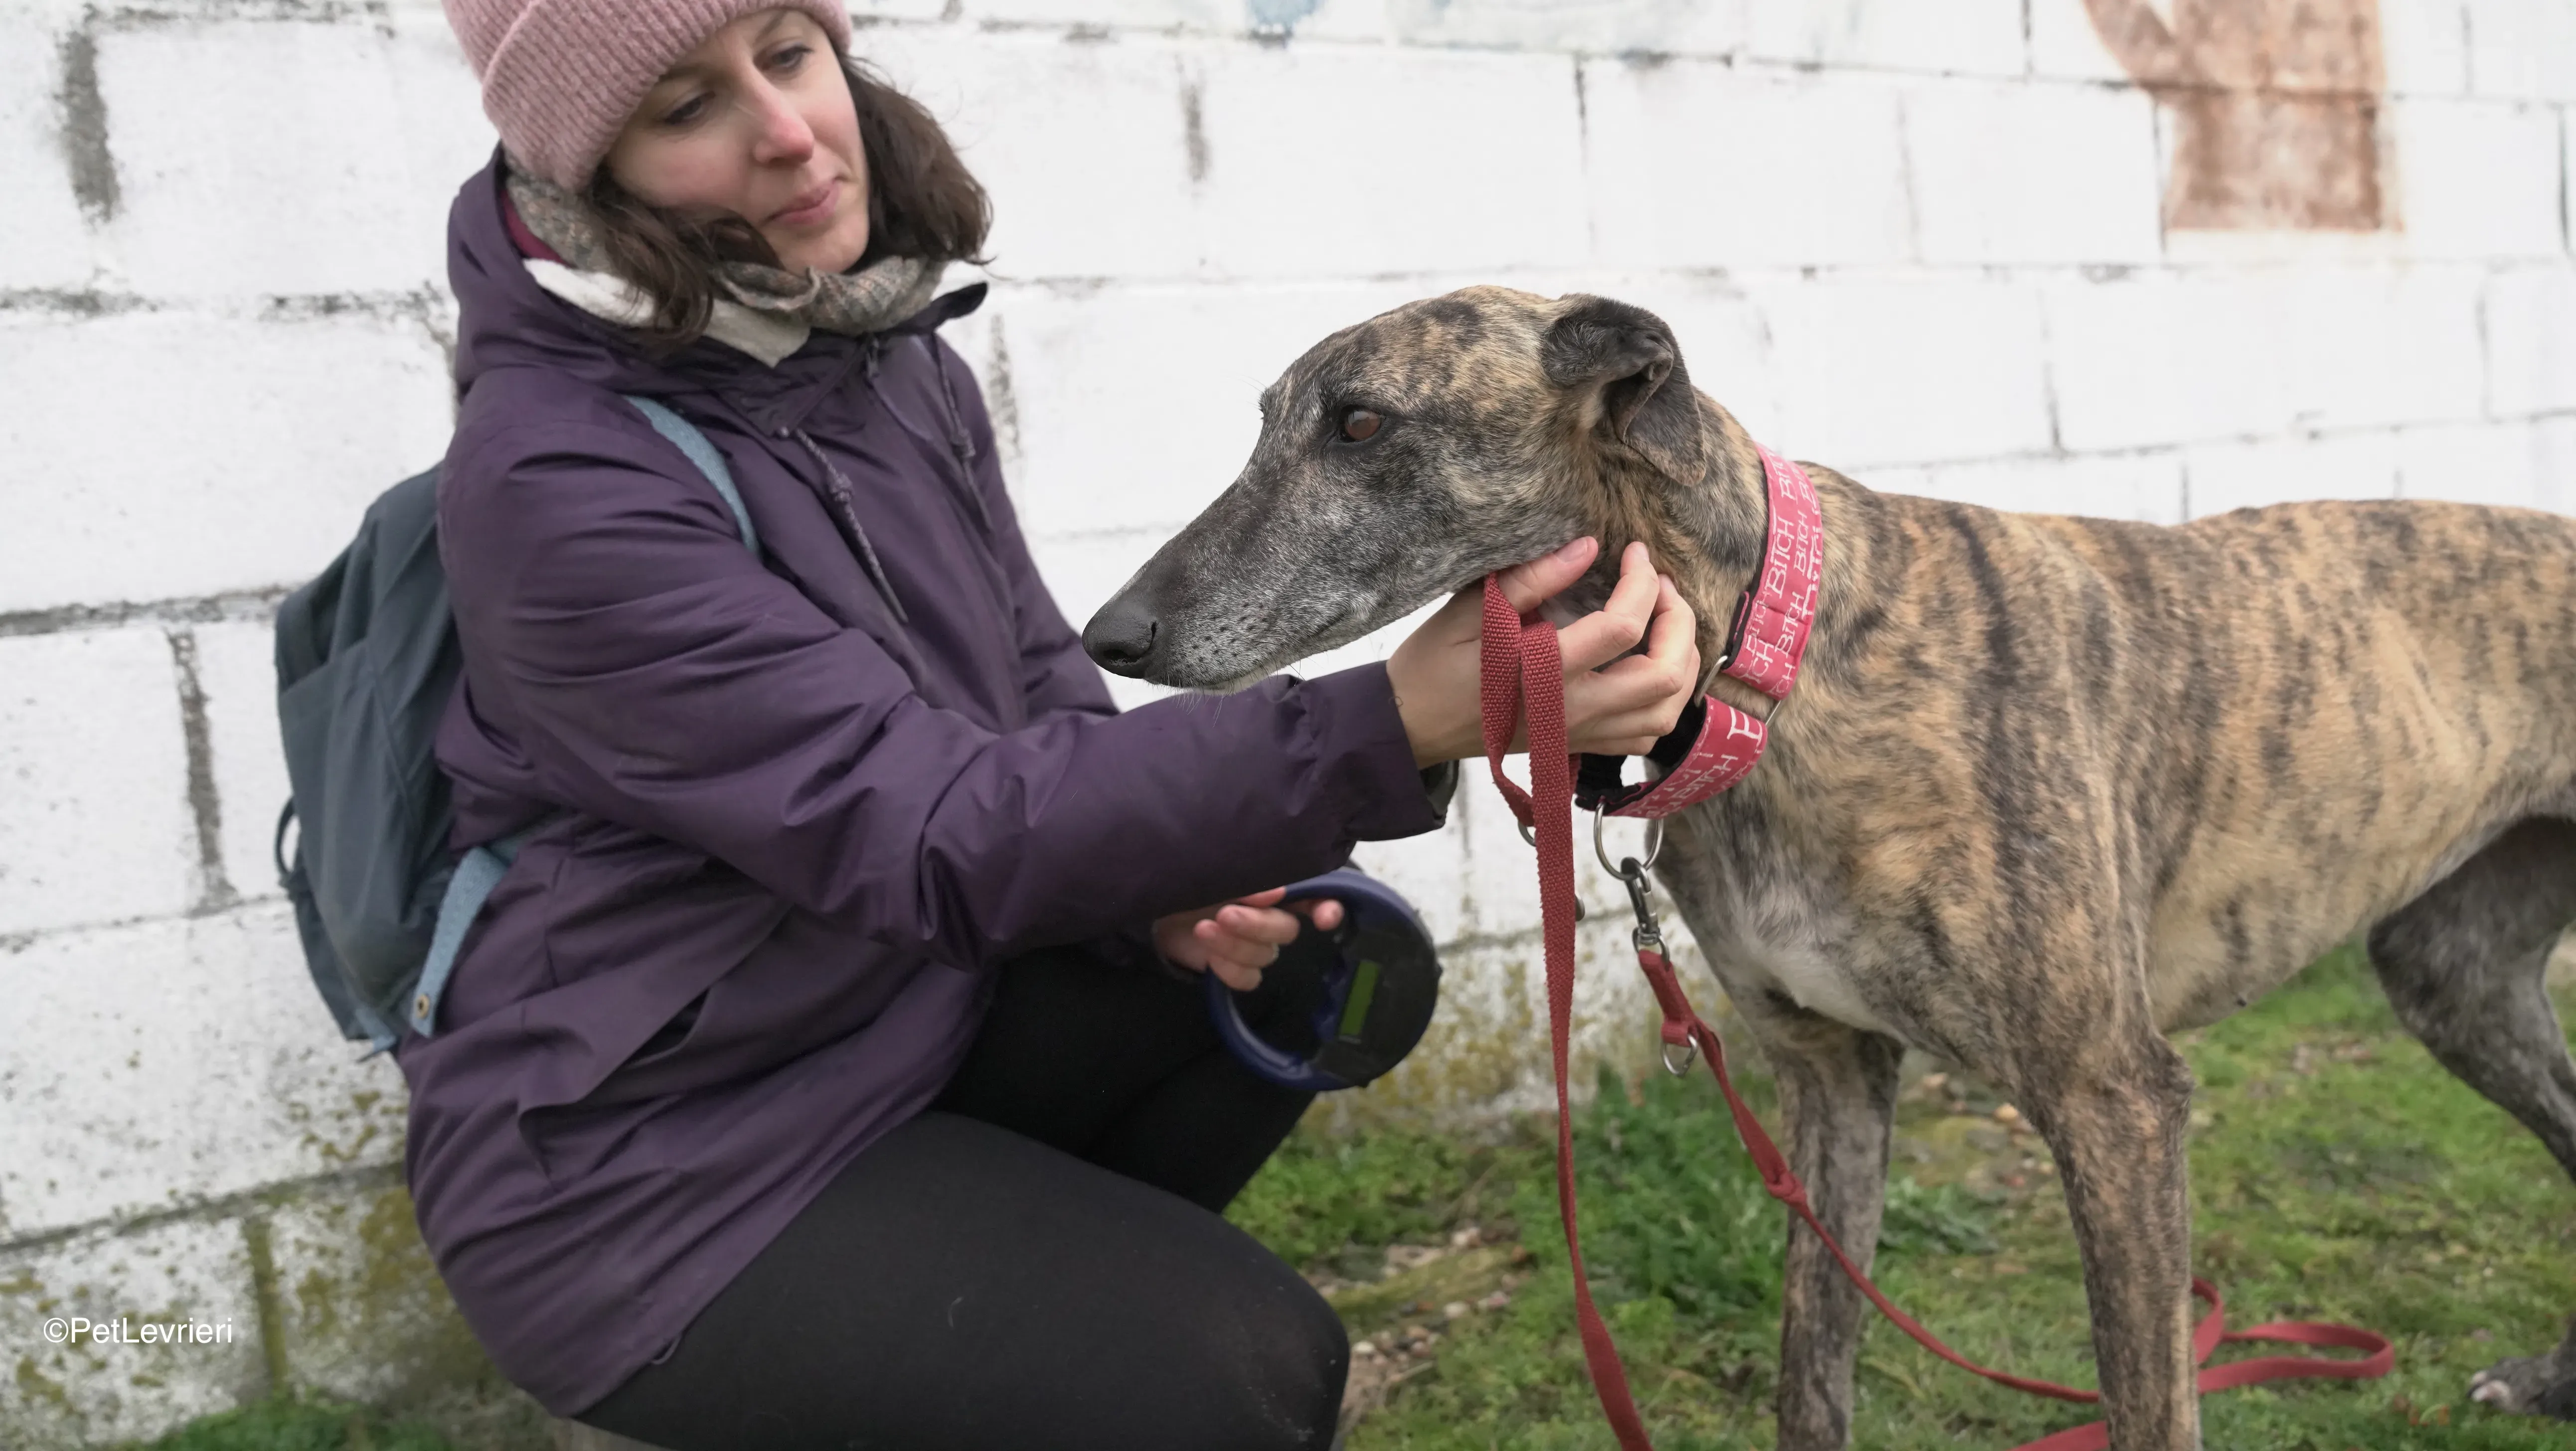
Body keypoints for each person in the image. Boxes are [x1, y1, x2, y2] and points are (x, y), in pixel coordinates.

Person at [412, 3, 1702, 1448]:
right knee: (1250, 1377)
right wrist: (1397, 718)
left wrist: (1170, 892)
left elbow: (1037, 701)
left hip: (900, 1011)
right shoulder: (557, 482)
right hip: (667, 1170)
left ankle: (1020, 1360)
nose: (786, 131)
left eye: (785, 52)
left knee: (1312, 961)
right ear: (596, 174)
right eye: (683, 106)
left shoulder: (881, 361)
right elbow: (929, 830)